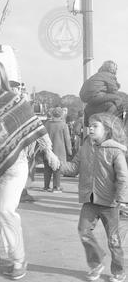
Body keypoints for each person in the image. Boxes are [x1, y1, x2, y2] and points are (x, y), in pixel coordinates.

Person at [0, 61, 60, 280]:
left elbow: (34, 126)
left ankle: (19, 260)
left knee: (6, 211)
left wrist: (49, 152)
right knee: (0, 217)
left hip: (14, 165)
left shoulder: (16, 100)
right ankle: (12, 258)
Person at [61, 113, 128, 282]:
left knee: (114, 240)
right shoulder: (85, 146)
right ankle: (96, 263)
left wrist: (122, 198)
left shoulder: (115, 150)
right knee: (83, 231)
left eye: (95, 126)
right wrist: (57, 164)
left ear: (106, 130)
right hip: (90, 201)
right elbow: (74, 167)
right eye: (89, 125)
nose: (90, 128)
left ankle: (119, 270)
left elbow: (122, 176)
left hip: (110, 204)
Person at [80, 61, 123, 126]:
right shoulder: (108, 75)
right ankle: (111, 120)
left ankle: (86, 121)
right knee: (119, 99)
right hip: (98, 96)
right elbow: (114, 90)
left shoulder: (95, 75)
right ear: (110, 68)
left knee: (91, 106)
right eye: (115, 68)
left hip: (88, 99)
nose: (116, 70)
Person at [43, 107, 72, 192]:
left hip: (48, 149)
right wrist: (69, 150)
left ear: (52, 114)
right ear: (61, 115)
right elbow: (67, 139)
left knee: (47, 169)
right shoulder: (63, 125)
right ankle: (56, 187)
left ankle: (46, 186)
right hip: (59, 150)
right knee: (57, 169)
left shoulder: (47, 124)